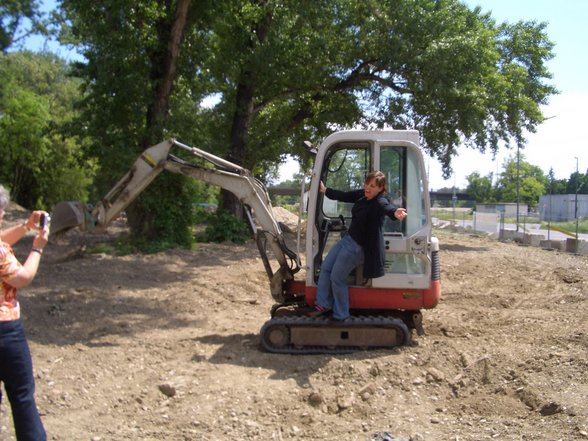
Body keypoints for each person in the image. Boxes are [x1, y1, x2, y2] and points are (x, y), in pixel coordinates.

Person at [310, 171, 407, 321]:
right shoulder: (363, 195)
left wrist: (395, 212)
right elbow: (345, 196)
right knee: (326, 267)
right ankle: (323, 304)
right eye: (367, 184)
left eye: (372, 186)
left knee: (337, 278)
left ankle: (341, 314)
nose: (368, 187)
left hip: (356, 247)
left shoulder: (379, 202)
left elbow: (387, 208)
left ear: (380, 189)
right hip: (348, 239)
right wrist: (325, 190)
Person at [0, 183, 48, 441]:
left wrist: (26, 227)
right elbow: (22, 277)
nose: (4, 215)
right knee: (21, 396)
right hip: (5, 332)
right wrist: (37, 247)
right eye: (1, 211)